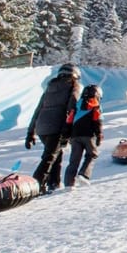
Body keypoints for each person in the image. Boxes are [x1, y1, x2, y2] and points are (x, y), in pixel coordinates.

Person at [26, 62, 80, 194]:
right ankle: (36, 186)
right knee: (49, 157)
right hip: (57, 126)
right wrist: (68, 127)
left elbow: (38, 109)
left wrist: (30, 132)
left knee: (56, 153)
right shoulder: (73, 86)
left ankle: (54, 183)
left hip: (41, 128)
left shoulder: (50, 87)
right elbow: (72, 107)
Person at [63, 84, 103, 188]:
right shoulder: (95, 105)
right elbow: (97, 121)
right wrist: (99, 135)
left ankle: (68, 183)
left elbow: (69, 121)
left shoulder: (76, 105)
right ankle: (84, 175)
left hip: (75, 136)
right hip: (88, 135)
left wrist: (66, 136)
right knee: (92, 154)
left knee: (74, 160)